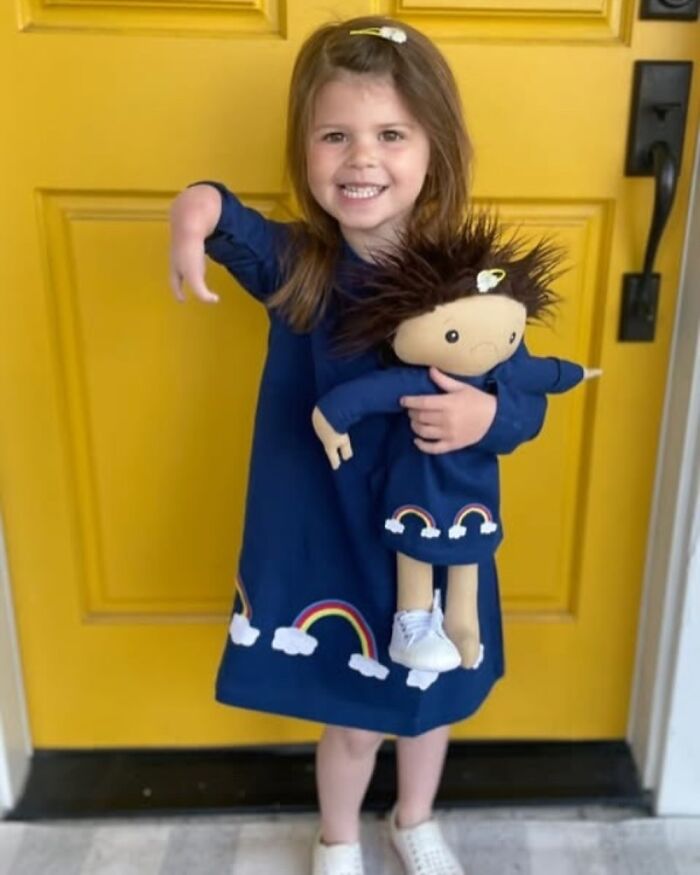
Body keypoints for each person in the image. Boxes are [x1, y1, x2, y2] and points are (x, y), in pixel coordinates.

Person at [168, 16, 548, 875]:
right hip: (334, 538)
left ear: (434, 147)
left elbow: (524, 394)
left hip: (436, 535)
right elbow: (229, 222)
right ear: (305, 148)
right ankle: (337, 835)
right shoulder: (298, 265)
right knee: (351, 717)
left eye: (389, 135)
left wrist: (488, 421)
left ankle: (414, 819)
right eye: (335, 135)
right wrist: (196, 208)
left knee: (434, 702)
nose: (361, 158)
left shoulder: (469, 281)